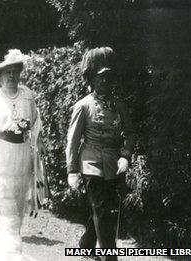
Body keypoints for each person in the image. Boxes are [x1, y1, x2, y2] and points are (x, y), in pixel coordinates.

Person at [0, 49, 46, 261]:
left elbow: (35, 125)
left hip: (21, 158)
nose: (11, 76)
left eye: (15, 71)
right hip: (0, 159)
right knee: (2, 210)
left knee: (16, 209)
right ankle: (11, 256)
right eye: (7, 72)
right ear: (0, 76)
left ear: (20, 73)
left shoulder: (28, 96)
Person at [66, 47, 135, 261]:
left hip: (114, 164)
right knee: (102, 212)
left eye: (109, 77)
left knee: (103, 210)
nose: (105, 82)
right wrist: (72, 170)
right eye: (100, 78)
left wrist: (125, 155)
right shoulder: (83, 106)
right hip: (90, 163)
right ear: (92, 80)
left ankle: (86, 245)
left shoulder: (119, 105)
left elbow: (130, 133)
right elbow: (73, 140)